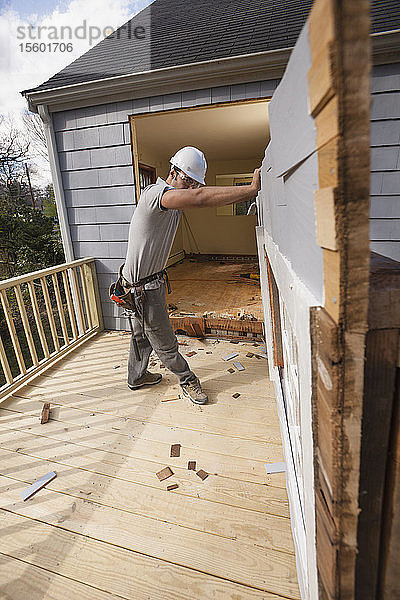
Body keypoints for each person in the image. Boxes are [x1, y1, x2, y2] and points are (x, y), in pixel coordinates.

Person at [122, 146, 261, 405]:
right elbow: (200, 199)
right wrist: (250, 190)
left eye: (196, 183)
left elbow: (196, 196)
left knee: (142, 334)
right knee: (164, 341)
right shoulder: (156, 194)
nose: (192, 188)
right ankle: (187, 380)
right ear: (174, 172)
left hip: (143, 284)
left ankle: (136, 377)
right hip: (142, 289)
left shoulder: (170, 198)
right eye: (190, 182)